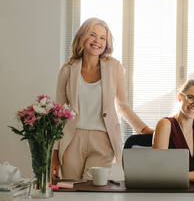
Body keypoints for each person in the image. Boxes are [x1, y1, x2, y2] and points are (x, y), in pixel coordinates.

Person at [51, 17, 153, 180]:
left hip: (103, 139)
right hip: (71, 139)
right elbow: (58, 113)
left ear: (107, 43)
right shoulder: (68, 69)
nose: (97, 41)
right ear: (82, 37)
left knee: (92, 190)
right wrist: (54, 155)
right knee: (72, 189)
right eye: (92, 35)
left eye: (102, 37)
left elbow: (122, 105)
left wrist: (144, 130)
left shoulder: (115, 67)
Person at [152, 79, 194, 181]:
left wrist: (176, 176)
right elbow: (160, 174)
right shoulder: (165, 125)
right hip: (170, 192)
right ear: (180, 97)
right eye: (191, 98)